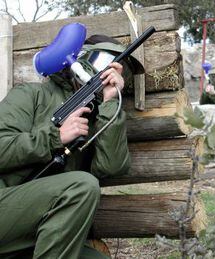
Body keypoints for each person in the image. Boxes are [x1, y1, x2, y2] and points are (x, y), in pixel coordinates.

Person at [0, 34, 143, 258]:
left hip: (37, 231)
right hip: (5, 207)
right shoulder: (31, 95)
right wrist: (55, 137)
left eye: (121, 70)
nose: (110, 74)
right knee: (81, 185)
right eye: (104, 62)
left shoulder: (99, 118)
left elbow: (111, 168)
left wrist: (110, 103)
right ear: (82, 60)